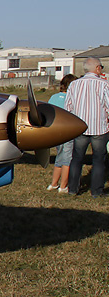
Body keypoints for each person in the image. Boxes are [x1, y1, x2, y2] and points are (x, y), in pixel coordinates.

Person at [64, 58, 109, 197]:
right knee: (99, 160)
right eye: (101, 66)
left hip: (80, 127)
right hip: (99, 127)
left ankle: (73, 188)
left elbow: (68, 107)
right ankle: (96, 191)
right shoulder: (104, 84)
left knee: (77, 158)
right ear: (97, 68)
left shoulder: (74, 85)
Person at [47, 74, 76, 192]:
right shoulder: (73, 99)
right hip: (69, 131)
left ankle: (53, 183)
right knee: (67, 159)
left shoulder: (53, 97)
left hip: (56, 133)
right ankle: (63, 186)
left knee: (59, 158)